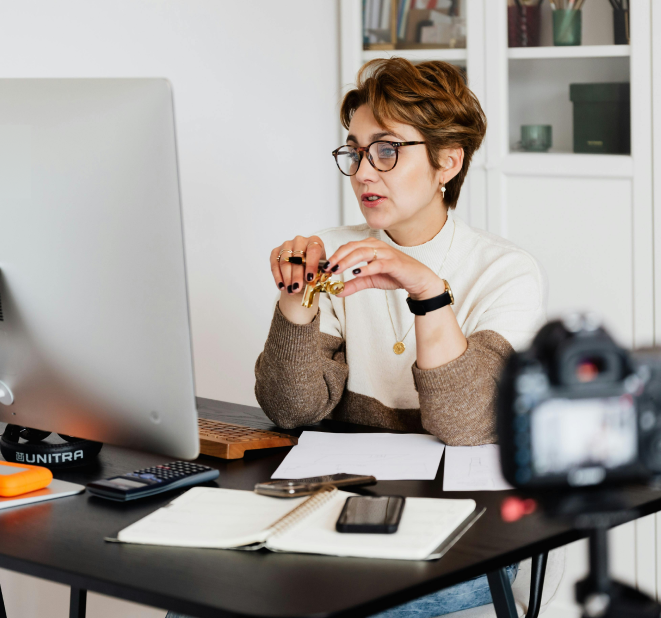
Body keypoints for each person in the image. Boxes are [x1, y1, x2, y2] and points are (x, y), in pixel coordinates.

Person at [167, 58, 545, 618]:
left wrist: (427, 291)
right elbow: (293, 408)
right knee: (198, 596)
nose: (364, 172)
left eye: (387, 150)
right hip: (343, 508)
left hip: (472, 531)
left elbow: (465, 425)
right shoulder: (336, 252)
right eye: (356, 151)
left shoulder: (506, 271)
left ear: (448, 160)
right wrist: (296, 304)